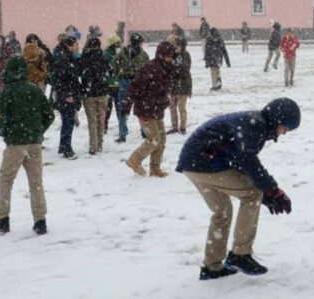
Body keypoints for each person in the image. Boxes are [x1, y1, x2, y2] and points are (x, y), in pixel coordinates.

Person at [176, 98, 301, 280]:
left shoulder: (255, 123)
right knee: (251, 194)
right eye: (286, 127)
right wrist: (272, 190)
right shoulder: (255, 125)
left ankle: (212, 267)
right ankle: (240, 255)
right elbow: (247, 161)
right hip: (204, 162)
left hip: (193, 162)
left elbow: (239, 158)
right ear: (277, 119)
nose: (285, 133)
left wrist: (266, 191)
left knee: (222, 212)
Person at [0, 56, 55, 235]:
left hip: (15, 144)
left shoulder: (8, 91)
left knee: (5, 181)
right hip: (35, 143)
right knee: (36, 183)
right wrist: (38, 131)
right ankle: (40, 221)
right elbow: (49, 115)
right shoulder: (35, 90)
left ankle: (1, 218)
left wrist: (4, 132)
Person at [124, 42, 178, 177]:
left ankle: (155, 169)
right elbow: (134, 88)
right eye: (169, 56)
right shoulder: (149, 68)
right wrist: (126, 105)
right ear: (162, 56)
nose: (171, 59)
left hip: (157, 109)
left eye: (172, 57)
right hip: (145, 110)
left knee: (161, 140)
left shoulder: (167, 68)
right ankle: (134, 160)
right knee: (153, 139)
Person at [114, 33, 150, 142]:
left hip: (124, 81)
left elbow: (115, 65)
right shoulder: (143, 54)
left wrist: (119, 76)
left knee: (123, 109)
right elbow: (148, 69)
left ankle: (122, 134)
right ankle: (145, 132)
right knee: (141, 108)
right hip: (139, 83)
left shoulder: (122, 52)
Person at [53, 36, 82, 160]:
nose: (78, 47)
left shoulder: (68, 58)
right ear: (69, 46)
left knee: (67, 121)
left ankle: (62, 145)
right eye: (76, 45)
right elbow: (60, 81)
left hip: (68, 95)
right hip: (66, 97)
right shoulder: (64, 60)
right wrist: (67, 95)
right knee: (68, 122)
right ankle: (67, 149)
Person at [80, 36, 110, 155]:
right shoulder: (103, 57)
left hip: (89, 93)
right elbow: (109, 72)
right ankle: (100, 143)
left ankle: (93, 145)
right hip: (102, 93)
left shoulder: (84, 58)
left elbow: (79, 72)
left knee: (92, 120)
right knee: (101, 119)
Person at [167, 35, 192, 134]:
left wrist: (174, 65)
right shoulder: (172, 55)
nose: (176, 47)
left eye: (178, 45)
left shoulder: (185, 55)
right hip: (173, 85)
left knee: (181, 107)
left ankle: (182, 127)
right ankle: (174, 127)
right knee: (172, 107)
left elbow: (185, 69)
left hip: (183, 85)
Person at [103, 35, 122, 134]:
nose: (118, 45)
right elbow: (109, 67)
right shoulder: (106, 54)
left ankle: (121, 126)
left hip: (118, 84)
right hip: (109, 85)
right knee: (108, 108)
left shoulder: (118, 53)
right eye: (117, 43)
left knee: (119, 107)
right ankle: (104, 125)